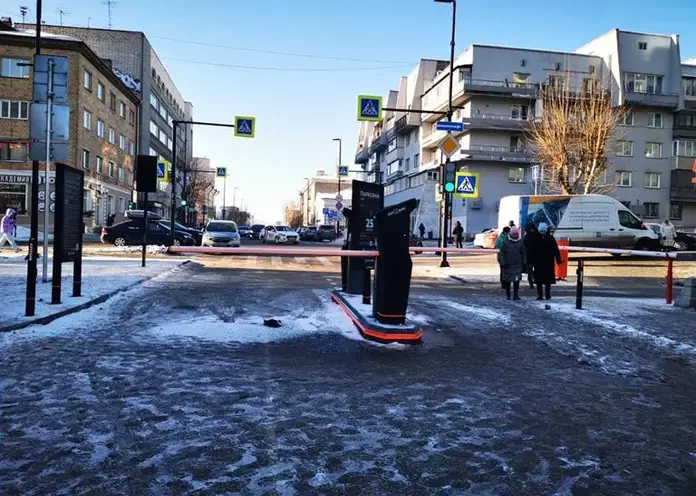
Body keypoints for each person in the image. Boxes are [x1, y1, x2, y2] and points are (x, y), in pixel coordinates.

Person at [529, 222, 562, 300]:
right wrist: (530, 262)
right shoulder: (535, 238)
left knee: (547, 280)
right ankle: (540, 295)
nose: (542, 233)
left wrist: (558, 259)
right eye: (541, 231)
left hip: (548, 262)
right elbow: (531, 251)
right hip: (539, 262)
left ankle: (547, 294)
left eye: (543, 231)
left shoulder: (550, 238)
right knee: (539, 280)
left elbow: (556, 250)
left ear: (546, 230)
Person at [499, 226, 525, 300]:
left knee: (516, 281)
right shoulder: (505, 242)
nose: (515, 236)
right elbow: (502, 254)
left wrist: (524, 263)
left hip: (517, 264)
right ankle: (508, 295)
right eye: (514, 234)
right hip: (508, 264)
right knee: (508, 281)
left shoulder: (520, 242)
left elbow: (523, 253)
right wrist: (503, 262)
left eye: (516, 234)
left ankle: (515, 295)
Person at [523, 223, 540, 289]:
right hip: (532, 256)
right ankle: (532, 283)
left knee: (531, 271)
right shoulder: (537, 235)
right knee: (531, 271)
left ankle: (533, 282)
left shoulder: (527, 236)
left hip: (531, 256)